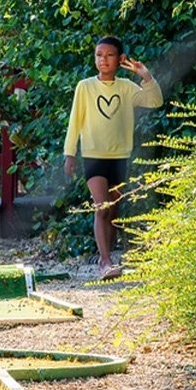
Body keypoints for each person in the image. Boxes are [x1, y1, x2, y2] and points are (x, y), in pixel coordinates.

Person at [63, 36, 163, 280]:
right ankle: (105, 262)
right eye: (99, 55)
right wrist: (70, 154)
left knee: (114, 211)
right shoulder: (85, 87)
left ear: (120, 60)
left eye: (108, 55)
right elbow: (74, 121)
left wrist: (146, 76)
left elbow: (155, 101)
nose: (103, 60)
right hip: (93, 156)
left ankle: (108, 259)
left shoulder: (127, 88)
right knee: (101, 207)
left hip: (119, 157)